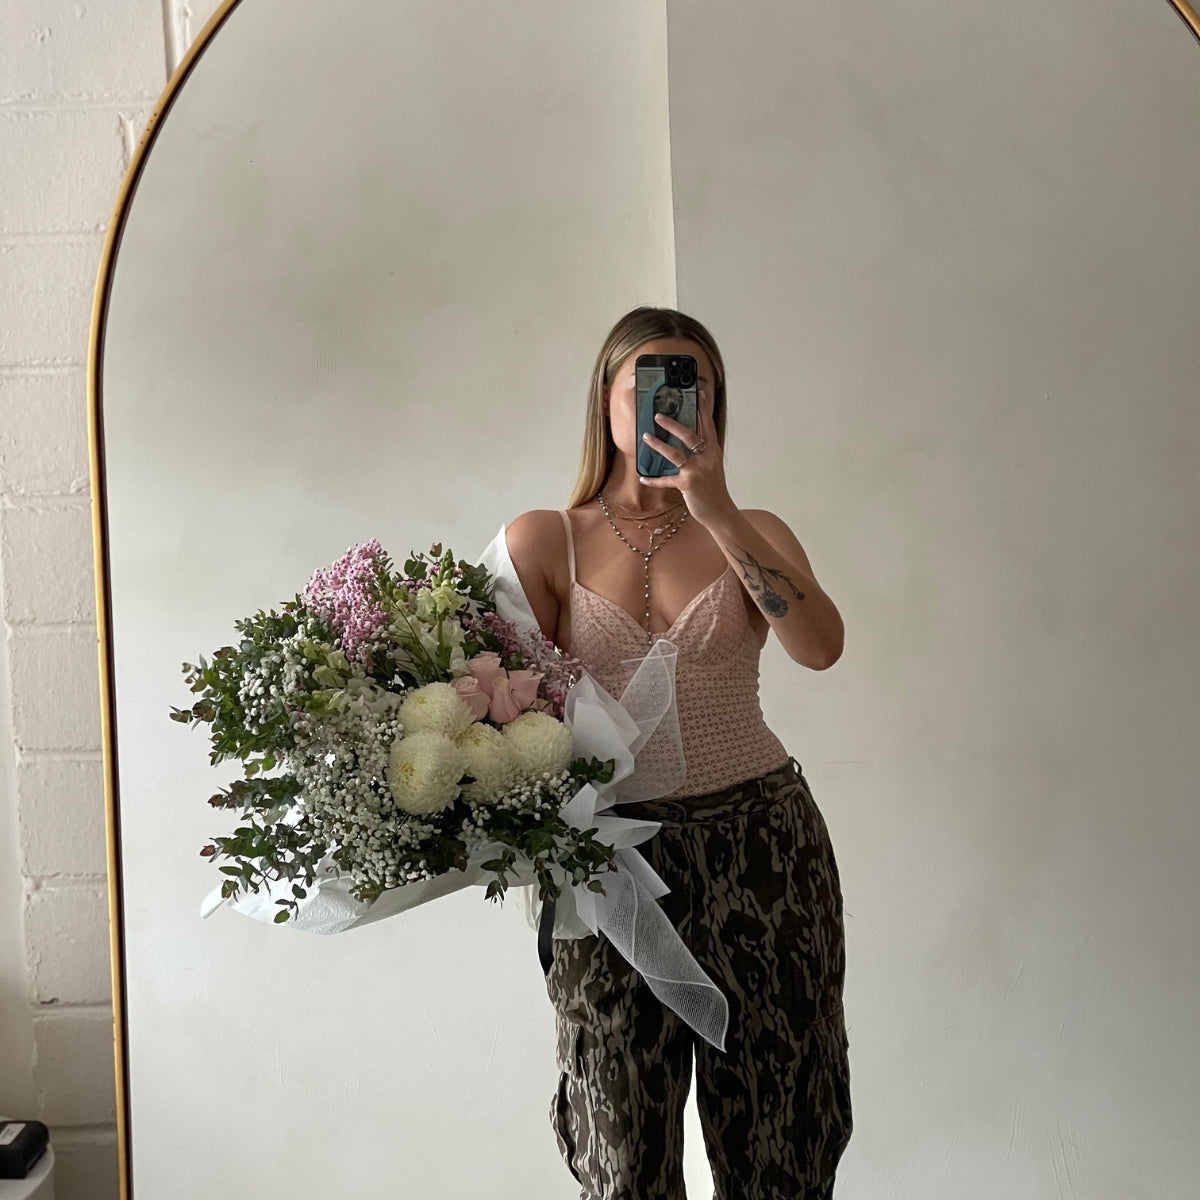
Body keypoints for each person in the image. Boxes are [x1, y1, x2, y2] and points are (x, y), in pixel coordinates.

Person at [504, 305, 853, 1199]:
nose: (671, 403)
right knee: (620, 1146)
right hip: (611, 864)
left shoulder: (754, 528)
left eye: (693, 385)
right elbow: (499, 717)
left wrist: (718, 510)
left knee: (783, 1135)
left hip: (763, 847)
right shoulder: (546, 539)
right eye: (650, 380)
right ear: (606, 397)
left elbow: (820, 648)